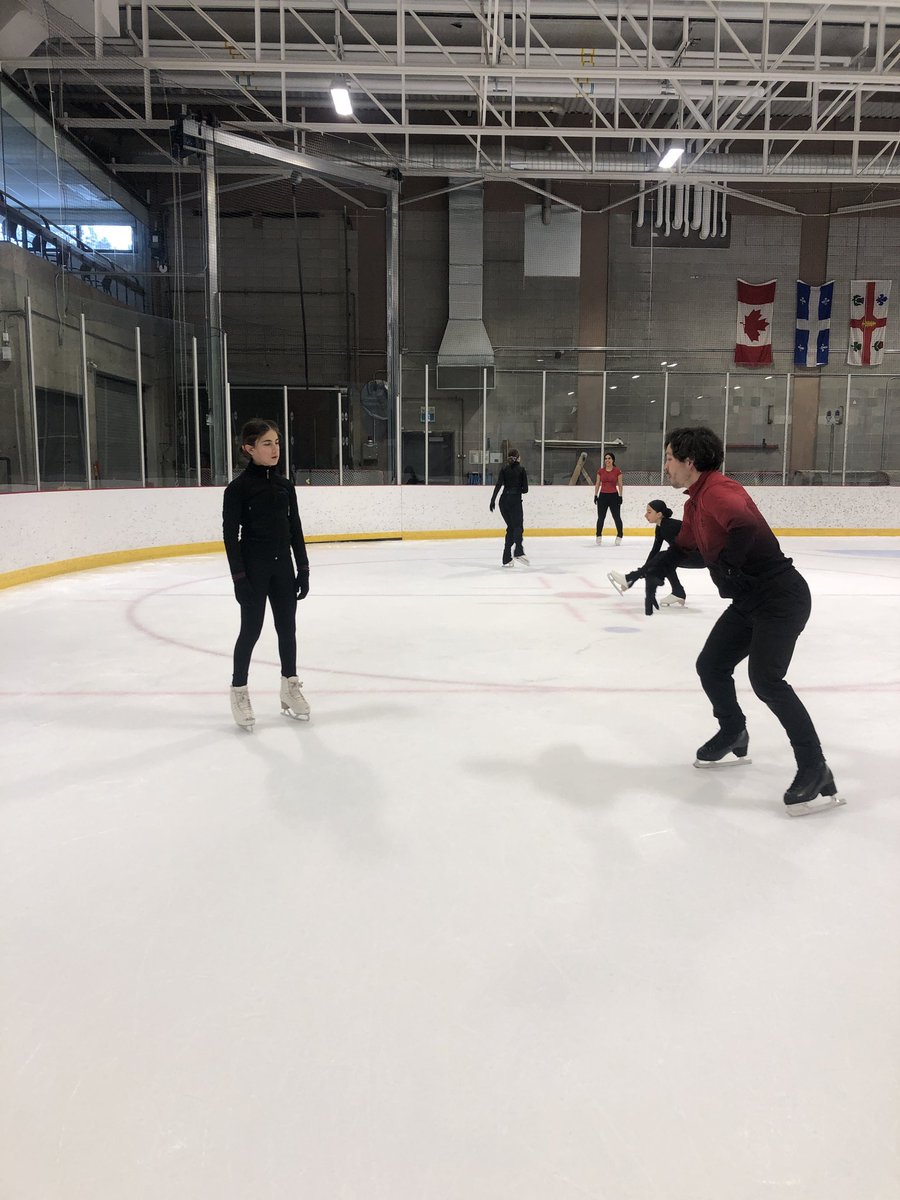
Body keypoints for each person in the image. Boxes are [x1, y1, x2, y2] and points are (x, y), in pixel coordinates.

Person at [655, 426, 842, 816]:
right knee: (711, 665)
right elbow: (691, 549)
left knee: (767, 681)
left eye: (670, 457)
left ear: (690, 462)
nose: (666, 465)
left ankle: (815, 768)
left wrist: (729, 565)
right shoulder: (694, 503)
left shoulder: (720, 491)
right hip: (749, 601)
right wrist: (661, 563)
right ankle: (732, 730)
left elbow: (744, 526)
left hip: (780, 598)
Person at [222, 419, 311, 730]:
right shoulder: (238, 490)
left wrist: (303, 568)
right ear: (249, 449)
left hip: (283, 569)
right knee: (251, 631)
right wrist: (239, 578)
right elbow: (230, 537)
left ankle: (290, 687)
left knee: (287, 629)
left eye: (276, 442)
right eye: (267, 443)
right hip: (254, 569)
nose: (275, 449)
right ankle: (239, 692)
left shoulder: (285, 486)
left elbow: (295, 529)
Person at [607, 499, 693, 614]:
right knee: (663, 559)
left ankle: (629, 579)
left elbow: (678, 551)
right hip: (687, 555)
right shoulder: (660, 527)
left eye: (649, 512)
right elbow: (654, 551)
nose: (645, 515)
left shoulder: (669, 526)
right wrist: (643, 572)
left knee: (664, 558)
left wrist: (642, 573)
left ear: (659, 514)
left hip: (700, 556)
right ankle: (678, 592)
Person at [489, 448, 529, 567]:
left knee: (511, 527)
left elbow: (498, 485)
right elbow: (525, 490)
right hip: (515, 501)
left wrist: (492, 500)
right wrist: (519, 489)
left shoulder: (504, 469)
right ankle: (518, 550)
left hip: (503, 501)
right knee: (518, 526)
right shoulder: (521, 470)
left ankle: (506, 558)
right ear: (517, 458)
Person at [593, 451, 624, 545]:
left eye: (609, 458)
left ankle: (619, 535)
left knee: (617, 517)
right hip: (603, 496)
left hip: (614, 496)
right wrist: (595, 495)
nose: (607, 460)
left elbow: (620, 484)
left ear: (613, 460)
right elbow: (598, 483)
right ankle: (598, 535)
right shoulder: (600, 471)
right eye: (606, 458)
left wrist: (620, 496)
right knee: (601, 518)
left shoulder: (617, 471)